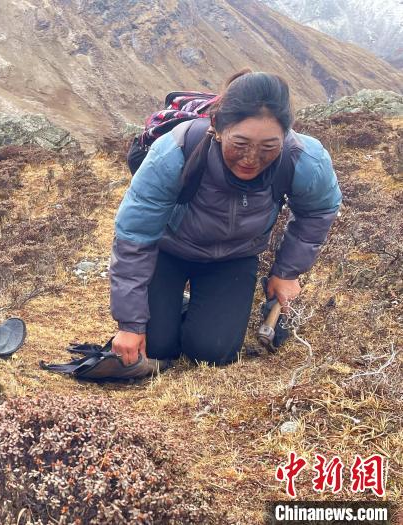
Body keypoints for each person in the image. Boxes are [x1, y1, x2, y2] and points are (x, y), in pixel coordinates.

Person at [110, 71, 341, 366]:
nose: (251, 158)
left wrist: (287, 272)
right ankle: (168, 312)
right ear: (217, 127)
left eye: (269, 147)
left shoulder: (305, 159)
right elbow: (134, 236)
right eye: (240, 143)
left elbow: (319, 209)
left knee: (212, 353)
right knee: (156, 346)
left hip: (234, 257)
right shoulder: (175, 151)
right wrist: (130, 324)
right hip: (168, 251)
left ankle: (192, 312)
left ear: (286, 135)